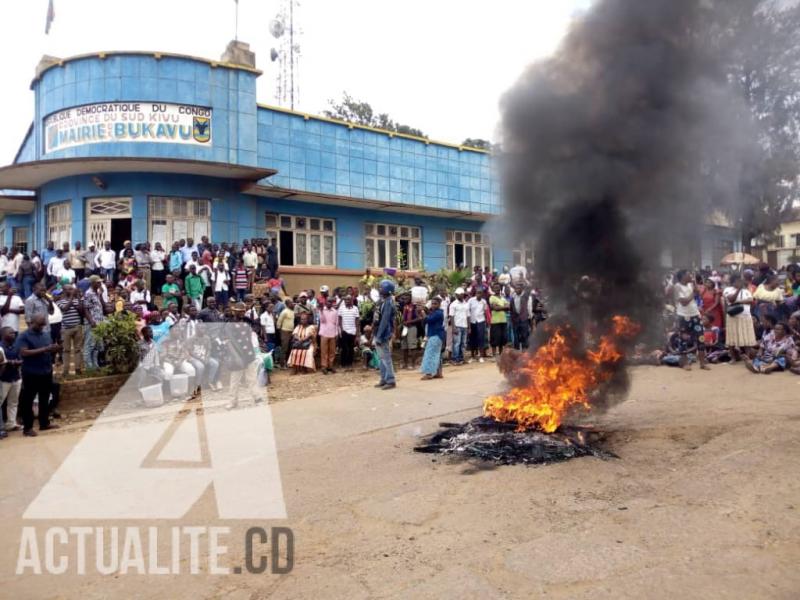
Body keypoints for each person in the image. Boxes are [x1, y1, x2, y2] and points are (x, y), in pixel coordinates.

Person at [16, 314, 59, 436]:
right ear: (32, 322)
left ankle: (44, 423)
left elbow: (49, 348)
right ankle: (28, 428)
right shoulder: (24, 336)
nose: (42, 326)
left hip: (45, 371)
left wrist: (54, 348)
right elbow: (23, 352)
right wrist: (45, 349)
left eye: (43, 324)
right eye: (39, 324)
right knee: (28, 400)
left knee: (44, 399)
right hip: (31, 373)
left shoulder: (45, 334)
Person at [672, 270, 709, 370]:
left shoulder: (690, 285)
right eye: (688, 274)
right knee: (683, 339)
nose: (691, 276)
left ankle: (702, 363)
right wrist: (694, 293)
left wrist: (694, 285)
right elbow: (684, 302)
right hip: (683, 316)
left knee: (701, 338)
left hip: (695, 314)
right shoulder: (677, 286)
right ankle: (685, 363)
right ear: (683, 276)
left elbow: (699, 295)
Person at [724, 273, 757, 360]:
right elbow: (731, 299)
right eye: (738, 281)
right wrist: (738, 289)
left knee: (746, 336)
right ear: (733, 282)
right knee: (732, 337)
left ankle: (747, 357)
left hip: (745, 316)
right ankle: (733, 358)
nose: (740, 283)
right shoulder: (728, 289)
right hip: (733, 317)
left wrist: (739, 302)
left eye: (741, 281)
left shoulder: (746, 290)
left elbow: (751, 300)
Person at [374, 279, 397, 390]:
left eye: (381, 288)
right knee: (381, 357)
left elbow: (385, 320)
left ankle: (391, 380)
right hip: (378, 332)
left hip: (383, 333)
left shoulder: (388, 302)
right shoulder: (382, 301)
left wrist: (379, 336)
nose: (379, 289)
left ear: (387, 290)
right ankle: (383, 379)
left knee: (386, 357)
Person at [57, 285, 84, 376]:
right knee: (66, 350)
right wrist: (72, 297)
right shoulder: (60, 301)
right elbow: (65, 308)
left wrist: (79, 298)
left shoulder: (76, 300)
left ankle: (78, 369)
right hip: (65, 329)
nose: (72, 290)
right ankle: (65, 370)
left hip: (77, 327)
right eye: (69, 289)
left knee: (78, 349)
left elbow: (81, 310)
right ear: (64, 290)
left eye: (72, 289)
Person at [83, 275, 108, 370]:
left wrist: (101, 294)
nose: (100, 284)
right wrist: (91, 321)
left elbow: (102, 305)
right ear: (92, 283)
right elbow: (85, 308)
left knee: (97, 346)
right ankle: (89, 367)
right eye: (98, 282)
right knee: (89, 345)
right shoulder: (88, 293)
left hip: (99, 322)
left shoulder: (96, 293)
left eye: (100, 282)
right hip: (92, 322)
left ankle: (95, 365)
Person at [0, 326, 22, 432]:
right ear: (3, 335)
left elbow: (21, 359)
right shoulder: (1, 347)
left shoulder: (15, 346)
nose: (13, 334)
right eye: (10, 333)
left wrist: (14, 362)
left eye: (14, 333)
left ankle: (11, 424)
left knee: (13, 402)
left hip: (15, 377)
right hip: (3, 379)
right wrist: (11, 362)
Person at [420, 297, 446, 380]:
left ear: (439, 304)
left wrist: (423, 312)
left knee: (430, 354)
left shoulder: (438, 313)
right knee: (437, 354)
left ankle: (428, 373)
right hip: (436, 335)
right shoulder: (436, 312)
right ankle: (439, 373)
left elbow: (428, 320)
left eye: (435, 303)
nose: (433, 305)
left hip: (435, 335)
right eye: (432, 303)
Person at [337, 295, 360, 370]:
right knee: (344, 348)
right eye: (346, 299)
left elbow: (357, 321)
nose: (347, 301)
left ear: (351, 300)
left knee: (351, 348)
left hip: (352, 331)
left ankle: (349, 363)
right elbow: (339, 320)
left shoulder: (355, 308)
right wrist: (341, 330)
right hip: (344, 331)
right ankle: (343, 363)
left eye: (349, 299)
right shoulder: (341, 308)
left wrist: (357, 333)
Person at [318, 297, 339, 374]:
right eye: (328, 302)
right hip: (324, 333)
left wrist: (337, 333)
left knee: (332, 351)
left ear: (332, 303)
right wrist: (321, 311)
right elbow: (322, 321)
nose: (329, 303)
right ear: (326, 303)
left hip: (333, 333)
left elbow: (337, 323)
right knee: (324, 351)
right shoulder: (322, 310)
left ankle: (330, 366)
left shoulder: (335, 311)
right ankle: (324, 366)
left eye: (331, 302)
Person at [467, 288, 488, 363]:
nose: (479, 294)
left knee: (481, 339)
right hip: (472, 322)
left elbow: (485, 312)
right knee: (472, 339)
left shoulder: (484, 302)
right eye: (477, 293)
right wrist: (468, 324)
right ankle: (472, 356)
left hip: (481, 321)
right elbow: (468, 312)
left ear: (482, 294)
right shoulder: (471, 300)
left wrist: (487, 322)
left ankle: (481, 356)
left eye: (480, 293)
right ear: (475, 293)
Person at [448, 287, 469, 365]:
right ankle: (455, 359)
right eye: (459, 294)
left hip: (465, 326)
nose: (461, 295)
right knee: (456, 343)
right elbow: (451, 316)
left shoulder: (466, 303)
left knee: (463, 343)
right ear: (456, 295)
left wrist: (469, 327)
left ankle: (461, 358)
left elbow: (468, 316)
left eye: (462, 294)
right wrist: (453, 327)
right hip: (457, 326)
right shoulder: (453, 304)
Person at [401, 296, 422, 370]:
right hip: (405, 328)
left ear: (410, 299)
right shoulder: (404, 307)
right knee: (404, 346)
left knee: (412, 346)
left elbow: (419, 318)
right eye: (404, 299)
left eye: (406, 298)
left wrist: (409, 322)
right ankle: (405, 363)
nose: (405, 300)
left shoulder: (414, 307)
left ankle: (413, 364)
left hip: (412, 327)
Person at [489, 282, 509, 357]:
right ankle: (494, 354)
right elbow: (495, 308)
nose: (497, 289)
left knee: (503, 338)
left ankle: (501, 353)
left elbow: (508, 307)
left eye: (498, 287)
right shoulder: (491, 297)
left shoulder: (503, 298)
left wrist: (499, 307)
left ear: (500, 288)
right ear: (493, 289)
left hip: (503, 320)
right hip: (495, 321)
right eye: (495, 288)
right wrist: (503, 307)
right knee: (495, 338)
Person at [276, 298, 295, 368]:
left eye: (292, 303)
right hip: (285, 332)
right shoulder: (284, 312)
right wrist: (280, 331)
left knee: (290, 348)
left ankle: (288, 363)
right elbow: (279, 322)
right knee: (284, 348)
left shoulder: (293, 312)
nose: (292, 304)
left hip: (291, 332)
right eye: (291, 303)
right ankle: (282, 364)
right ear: (287, 304)